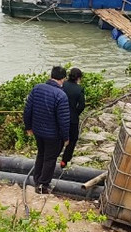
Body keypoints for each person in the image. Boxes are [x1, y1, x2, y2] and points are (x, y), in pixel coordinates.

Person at [23, 65, 70, 194]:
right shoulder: (61, 96)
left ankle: (37, 179)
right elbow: (63, 120)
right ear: (63, 79)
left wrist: (28, 127)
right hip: (53, 135)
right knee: (50, 158)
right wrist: (66, 137)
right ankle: (43, 185)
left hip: (38, 131)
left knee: (41, 154)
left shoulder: (37, 88)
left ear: (51, 76)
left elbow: (28, 110)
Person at [60, 68, 85, 169]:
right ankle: (64, 161)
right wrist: (75, 113)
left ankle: (52, 157)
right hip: (72, 119)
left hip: (60, 116)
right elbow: (81, 105)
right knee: (72, 139)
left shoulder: (62, 85)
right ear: (79, 78)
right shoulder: (79, 89)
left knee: (59, 137)